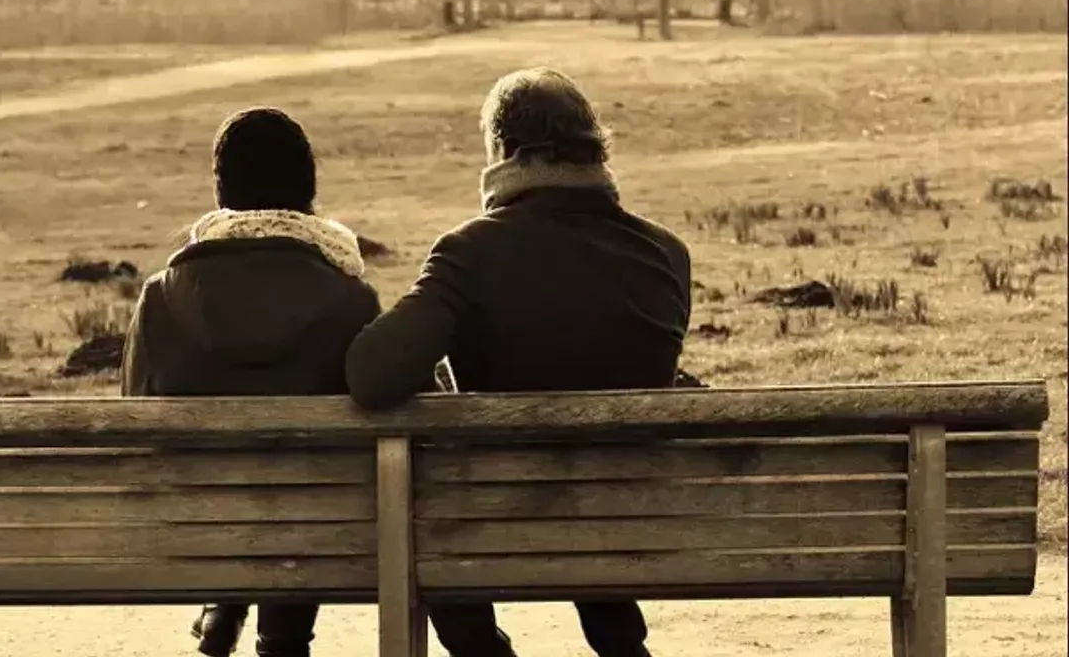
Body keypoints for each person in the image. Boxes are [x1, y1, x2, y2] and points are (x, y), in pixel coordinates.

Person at [121, 106, 517, 657]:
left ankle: (227, 603)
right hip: (321, 526)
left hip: (195, 527)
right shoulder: (348, 297)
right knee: (307, 489)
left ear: (221, 190)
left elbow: (135, 413)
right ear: (308, 190)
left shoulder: (160, 297)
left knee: (263, 491)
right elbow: (403, 410)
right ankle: (279, 639)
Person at [344, 67, 692, 657]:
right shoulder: (667, 253)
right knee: (590, 458)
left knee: (423, 517)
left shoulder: (470, 251)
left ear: (506, 152)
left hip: (498, 514)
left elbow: (371, 374)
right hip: (632, 513)